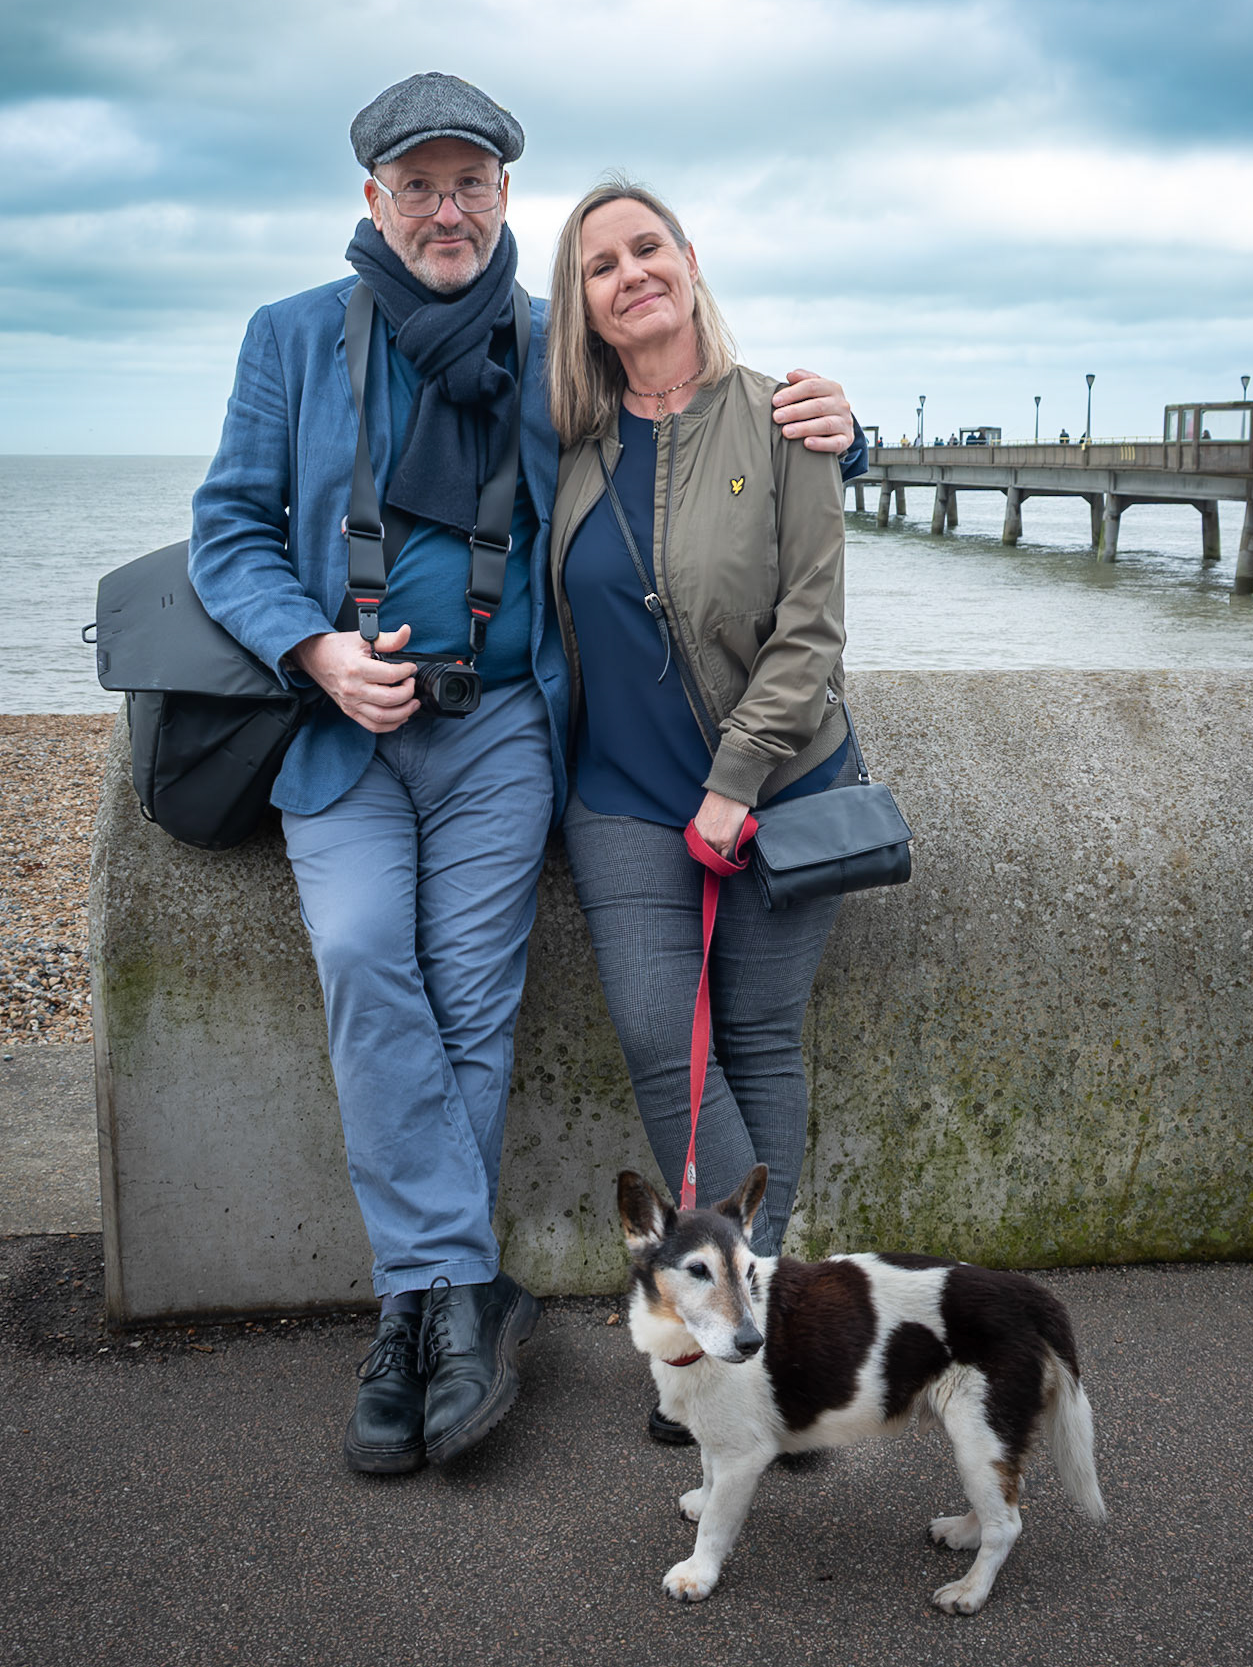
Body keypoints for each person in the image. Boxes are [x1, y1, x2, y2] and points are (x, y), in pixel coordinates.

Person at [189, 74, 864, 1477]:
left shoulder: (558, 340)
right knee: (371, 957)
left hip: (502, 725)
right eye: (418, 185)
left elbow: (702, 417)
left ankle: (443, 1309)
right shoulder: (294, 337)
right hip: (343, 727)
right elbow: (229, 530)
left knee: (477, 995)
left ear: (506, 197)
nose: (448, 208)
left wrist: (849, 432)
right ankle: (441, 1289)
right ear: (372, 200)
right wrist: (314, 648)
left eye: (472, 183)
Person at [542, 180, 854, 1445]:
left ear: (687, 259)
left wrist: (736, 782)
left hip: (781, 789)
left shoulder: (783, 419)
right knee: (661, 1042)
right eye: (599, 265)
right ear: (584, 307)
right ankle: (756, 1332)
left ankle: (744, 1353)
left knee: (765, 1046)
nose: (629, 274)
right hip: (617, 798)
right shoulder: (562, 442)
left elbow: (812, 626)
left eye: (646, 248)